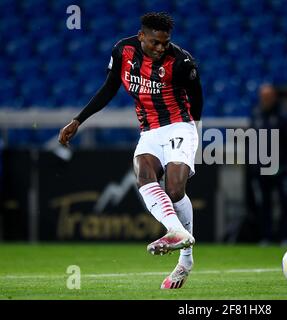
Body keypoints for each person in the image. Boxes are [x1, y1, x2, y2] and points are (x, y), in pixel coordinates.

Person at [58, 12, 203, 290]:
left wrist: (194, 131)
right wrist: (79, 119)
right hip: (148, 131)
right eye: (155, 43)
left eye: (165, 43)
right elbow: (110, 87)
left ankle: (185, 259)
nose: (160, 48)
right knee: (143, 173)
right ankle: (175, 231)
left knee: (174, 190)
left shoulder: (182, 61)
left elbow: (197, 97)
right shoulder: (123, 51)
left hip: (179, 126)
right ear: (141, 37)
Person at [245, 83, 287, 245]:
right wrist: (253, 166)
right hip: (261, 169)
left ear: (274, 97)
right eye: (263, 96)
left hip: (280, 168)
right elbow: (251, 141)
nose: (266, 99)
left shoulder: (283, 116)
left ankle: (286, 236)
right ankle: (266, 236)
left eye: (268, 96)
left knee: (285, 203)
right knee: (264, 204)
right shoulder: (256, 114)